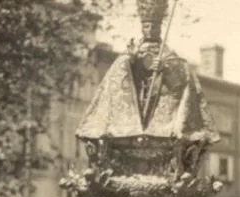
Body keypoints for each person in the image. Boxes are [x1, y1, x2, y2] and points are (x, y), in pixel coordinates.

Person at [76, 0, 219, 148]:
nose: (150, 29)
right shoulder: (132, 51)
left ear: (160, 28)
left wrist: (166, 68)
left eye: (154, 26)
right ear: (142, 27)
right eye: (146, 26)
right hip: (136, 104)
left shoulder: (169, 56)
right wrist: (128, 62)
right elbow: (118, 76)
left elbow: (181, 81)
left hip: (160, 110)